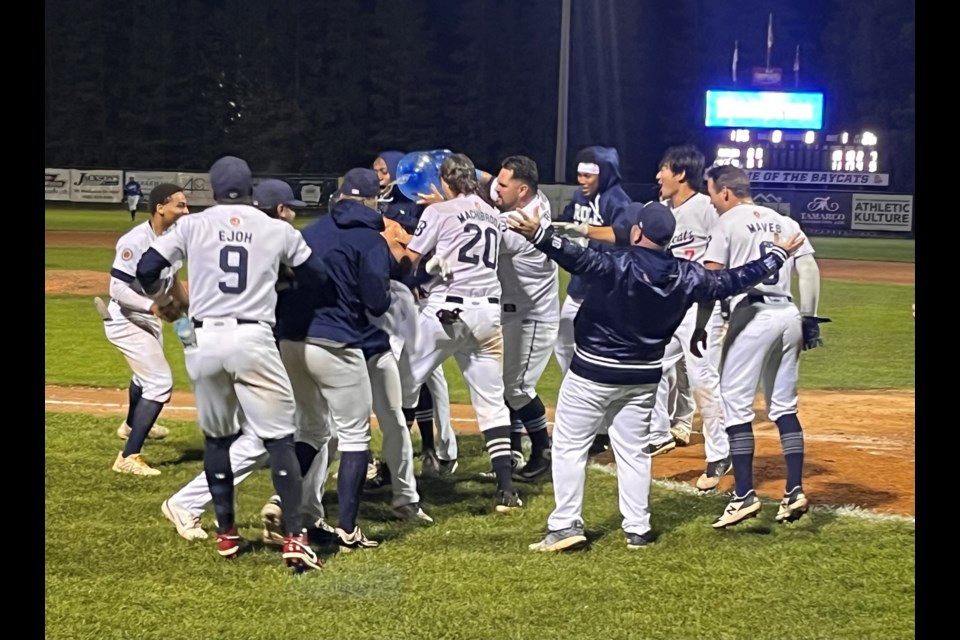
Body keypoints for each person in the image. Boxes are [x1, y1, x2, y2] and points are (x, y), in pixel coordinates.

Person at [507, 200, 806, 552]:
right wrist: (776, 257)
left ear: (637, 232)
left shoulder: (615, 263)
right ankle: (638, 527)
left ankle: (565, 525)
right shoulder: (687, 273)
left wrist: (540, 234)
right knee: (633, 451)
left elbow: (573, 256)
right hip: (643, 376)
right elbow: (731, 280)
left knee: (570, 446)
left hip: (593, 372)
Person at [136, 156, 327, 572]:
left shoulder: (192, 224)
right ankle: (295, 537)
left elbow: (146, 268)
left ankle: (226, 532)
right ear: (252, 189)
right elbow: (318, 276)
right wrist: (280, 281)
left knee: (218, 440)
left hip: (205, 339)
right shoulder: (275, 227)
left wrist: (166, 299)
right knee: (279, 440)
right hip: (253, 336)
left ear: (212, 189)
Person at [556, 145, 730, 485]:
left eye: (663, 169)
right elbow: (626, 234)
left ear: (680, 173)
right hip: (669, 304)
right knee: (653, 364)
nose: (657, 176)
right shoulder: (657, 210)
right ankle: (659, 431)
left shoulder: (706, 209)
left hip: (698, 304)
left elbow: (723, 252)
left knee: (702, 378)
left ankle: (719, 454)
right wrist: (584, 231)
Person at [699, 163, 828, 528]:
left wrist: (699, 326)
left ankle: (742, 495)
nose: (712, 201)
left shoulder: (727, 222)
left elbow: (711, 279)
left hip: (751, 314)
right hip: (788, 313)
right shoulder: (783, 221)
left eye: (711, 193)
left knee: (736, 406)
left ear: (725, 191)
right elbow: (810, 269)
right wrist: (809, 317)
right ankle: (794, 490)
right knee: (784, 407)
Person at [399, 153, 524, 512]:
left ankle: (394, 471)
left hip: (445, 310)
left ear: (444, 181)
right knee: (491, 403)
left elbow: (411, 264)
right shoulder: (492, 215)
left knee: (404, 385)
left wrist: (422, 273)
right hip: (487, 313)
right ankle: (505, 491)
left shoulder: (437, 212)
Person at [283, 167, 395, 549]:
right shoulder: (370, 239)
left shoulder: (311, 230)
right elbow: (376, 301)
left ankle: (285, 506)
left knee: (311, 432)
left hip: (291, 340)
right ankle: (347, 528)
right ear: (371, 200)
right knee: (353, 436)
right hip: (335, 342)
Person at [97, 183, 189, 476]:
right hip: (126, 320)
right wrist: (154, 308)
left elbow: (172, 277)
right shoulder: (135, 240)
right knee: (160, 383)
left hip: (149, 317)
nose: (186, 211)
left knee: (143, 378)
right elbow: (117, 288)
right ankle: (128, 457)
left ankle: (130, 426)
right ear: (161, 207)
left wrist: (185, 306)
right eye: (181, 205)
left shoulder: (175, 238)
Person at [553, 146, 632, 455]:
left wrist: (586, 231)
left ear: (604, 174)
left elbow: (624, 236)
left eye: (588, 175)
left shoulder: (618, 200)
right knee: (564, 349)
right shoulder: (579, 198)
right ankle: (586, 416)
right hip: (577, 288)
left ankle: (603, 426)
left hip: (603, 292)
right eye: (579, 174)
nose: (581, 180)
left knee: (601, 357)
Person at [489, 155, 560, 481]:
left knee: (517, 388)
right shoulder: (534, 198)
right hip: (519, 312)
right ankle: (514, 449)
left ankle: (543, 453)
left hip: (533, 317)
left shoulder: (521, 223)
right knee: (508, 385)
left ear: (522, 190)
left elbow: (484, 236)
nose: (496, 188)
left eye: (503, 185)